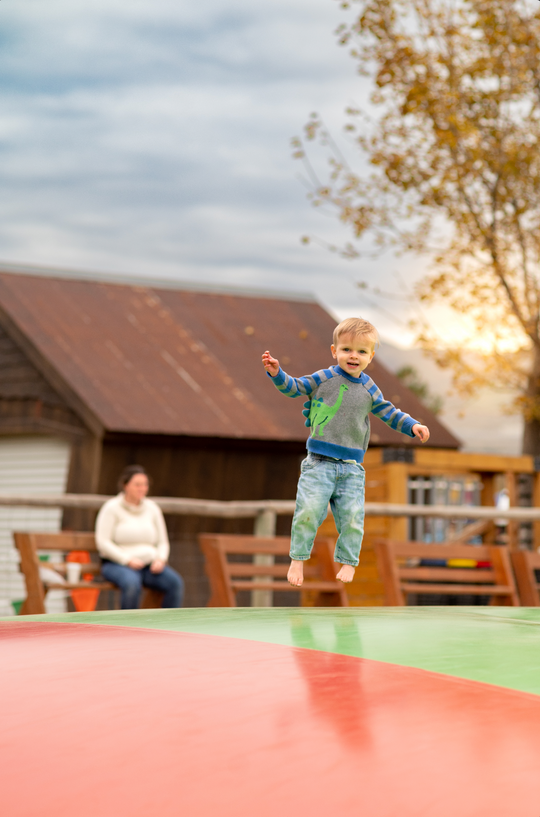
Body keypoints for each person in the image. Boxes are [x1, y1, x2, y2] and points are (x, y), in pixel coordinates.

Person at [262, 317, 430, 587]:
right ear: (334, 351)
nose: (354, 356)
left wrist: (413, 425)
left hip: (351, 467)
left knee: (352, 518)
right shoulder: (324, 378)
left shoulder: (369, 389)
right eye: (347, 350)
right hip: (319, 464)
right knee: (308, 512)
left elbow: (389, 412)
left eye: (362, 352)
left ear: (371, 356)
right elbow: (294, 388)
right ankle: (297, 560)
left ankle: (349, 562)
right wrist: (276, 373)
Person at [95, 465, 184, 609]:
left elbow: (163, 542)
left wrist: (161, 559)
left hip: (149, 566)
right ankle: (128, 628)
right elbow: (103, 542)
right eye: (137, 485)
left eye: (145, 485)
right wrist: (127, 560)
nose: (142, 488)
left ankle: (167, 627)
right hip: (117, 564)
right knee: (131, 584)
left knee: (175, 583)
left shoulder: (153, 508)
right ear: (125, 485)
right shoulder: (111, 508)